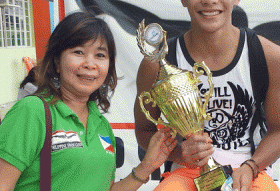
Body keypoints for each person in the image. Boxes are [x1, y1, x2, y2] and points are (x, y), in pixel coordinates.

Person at [134, 0, 280, 191]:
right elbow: (144, 131)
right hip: (187, 172)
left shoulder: (267, 55)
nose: (209, 0)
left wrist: (251, 167)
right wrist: (179, 154)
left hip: (248, 169)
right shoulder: (158, 63)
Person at [0, 12, 177, 191]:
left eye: (100, 55)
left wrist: (146, 166)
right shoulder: (32, 111)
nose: (90, 64)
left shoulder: (102, 126)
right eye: (78, 52)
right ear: (57, 61)